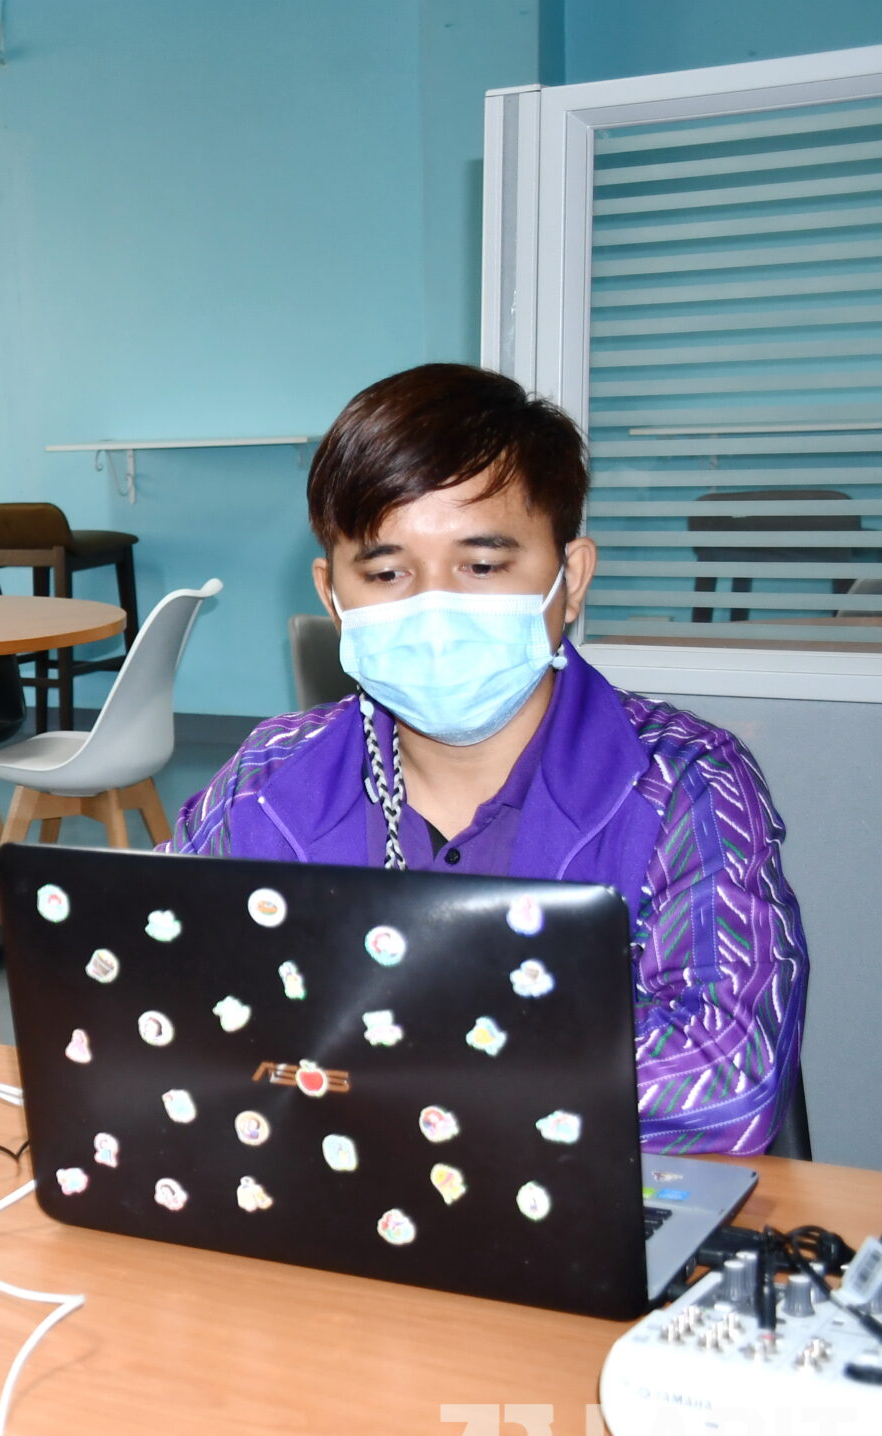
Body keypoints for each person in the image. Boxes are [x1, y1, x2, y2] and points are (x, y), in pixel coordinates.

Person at [170, 363, 806, 1154]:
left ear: (571, 578)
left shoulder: (683, 786)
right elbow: (142, 985)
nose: (433, 610)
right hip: (303, 1198)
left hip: (564, 1215)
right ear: (332, 595)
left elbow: (727, 1073)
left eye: (481, 565)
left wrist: (380, 1078)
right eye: (386, 572)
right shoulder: (266, 782)